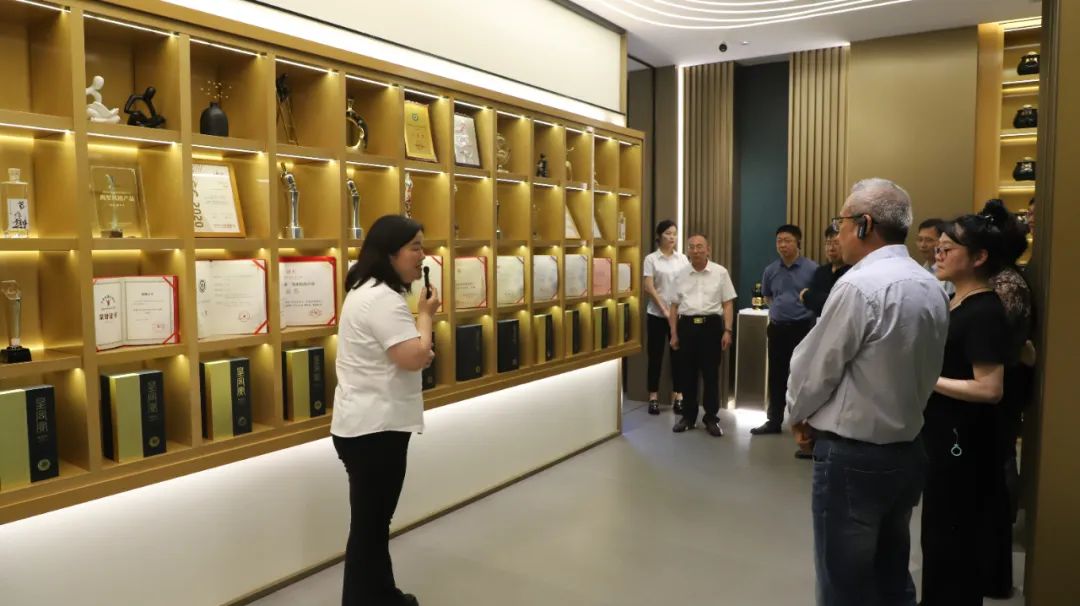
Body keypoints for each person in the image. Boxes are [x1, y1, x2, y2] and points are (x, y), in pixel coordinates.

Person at [786, 178, 949, 606]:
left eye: (840, 221)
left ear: (864, 224)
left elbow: (815, 369)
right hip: (907, 450)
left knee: (844, 584)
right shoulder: (930, 285)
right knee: (892, 574)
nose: (836, 232)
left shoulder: (859, 286)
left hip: (852, 457)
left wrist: (797, 416)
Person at [332, 215, 440, 606]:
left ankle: (384, 597)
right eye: (415, 247)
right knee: (370, 528)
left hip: (365, 426)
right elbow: (414, 357)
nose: (422, 256)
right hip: (375, 430)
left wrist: (418, 335)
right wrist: (425, 316)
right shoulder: (382, 299)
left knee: (373, 524)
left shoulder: (367, 290)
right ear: (389, 253)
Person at [921, 212, 1012, 606]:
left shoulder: (984, 310)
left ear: (979, 256)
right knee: (938, 537)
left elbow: (989, 388)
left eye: (947, 248)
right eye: (937, 248)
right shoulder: (957, 301)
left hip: (966, 444)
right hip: (944, 436)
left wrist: (927, 379)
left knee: (954, 542)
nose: (937, 254)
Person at [980, 200, 1033, 599]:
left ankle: (995, 573)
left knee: (996, 475)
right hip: (1001, 384)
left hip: (1001, 389)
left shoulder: (1006, 285)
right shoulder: (1002, 279)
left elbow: (991, 343)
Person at [668, 234, 737, 437]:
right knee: (687, 374)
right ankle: (688, 417)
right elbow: (674, 307)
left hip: (711, 327)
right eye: (692, 247)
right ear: (687, 251)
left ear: (708, 249)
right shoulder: (680, 274)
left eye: (700, 246)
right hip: (687, 327)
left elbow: (727, 303)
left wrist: (728, 330)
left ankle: (711, 418)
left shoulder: (720, 272)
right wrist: (673, 333)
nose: (696, 250)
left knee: (711, 375)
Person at [752, 225, 817, 435]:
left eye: (787, 240)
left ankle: (805, 424)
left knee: (803, 377)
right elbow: (768, 297)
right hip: (778, 329)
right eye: (779, 241)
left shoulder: (812, 269)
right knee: (776, 376)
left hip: (803, 330)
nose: (782, 245)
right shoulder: (771, 270)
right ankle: (774, 421)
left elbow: (817, 298)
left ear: (798, 242)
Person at [643, 220, 690, 415]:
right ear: (659, 235)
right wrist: (663, 308)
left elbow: (688, 283)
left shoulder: (682, 259)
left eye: (674, 234)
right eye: (668, 233)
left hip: (678, 315)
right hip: (656, 314)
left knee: (678, 357)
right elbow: (649, 286)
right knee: (655, 356)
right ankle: (653, 397)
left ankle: (679, 396)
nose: (672, 237)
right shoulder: (651, 259)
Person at [800, 224, 851, 317]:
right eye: (828, 243)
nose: (831, 248)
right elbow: (811, 305)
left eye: (836, 243)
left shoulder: (852, 272)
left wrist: (806, 295)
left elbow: (838, 304)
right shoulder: (820, 271)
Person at [916, 218, 956, 295]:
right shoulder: (920, 271)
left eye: (929, 240)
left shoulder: (951, 273)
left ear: (943, 241)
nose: (923, 245)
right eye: (920, 240)